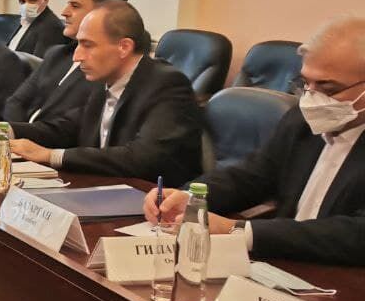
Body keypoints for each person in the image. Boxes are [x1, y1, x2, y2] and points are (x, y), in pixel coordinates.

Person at [144, 16, 365, 265]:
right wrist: (191, 198)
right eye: (305, 83)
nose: (312, 98)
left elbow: (355, 234)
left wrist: (240, 231)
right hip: (287, 263)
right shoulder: (301, 120)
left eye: (329, 88)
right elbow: (252, 175)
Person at [6, 0, 204, 185]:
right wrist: (4, 130)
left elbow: (144, 157)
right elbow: (66, 128)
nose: (77, 56)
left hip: (152, 199)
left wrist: (52, 156)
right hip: (105, 189)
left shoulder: (167, 84)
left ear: (124, 47)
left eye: (87, 45)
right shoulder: (105, 80)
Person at [0, 0, 127, 135]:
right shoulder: (57, 54)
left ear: (105, 13)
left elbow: (68, 129)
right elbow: (15, 102)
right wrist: (7, 136)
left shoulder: (108, 70)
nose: (64, 12)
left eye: (75, 6)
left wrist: (12, 135)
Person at [1, 0, 68, 56]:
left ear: (45, 0)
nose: (26, 5)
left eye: (33, 0)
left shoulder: (51, 27)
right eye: (22, 1)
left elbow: (38, 62)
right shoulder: (25, 19)